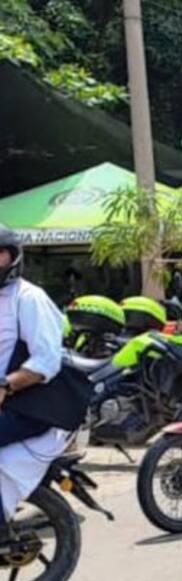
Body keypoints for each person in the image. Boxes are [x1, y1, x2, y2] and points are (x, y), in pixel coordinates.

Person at [0, 225, 73, 526]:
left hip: (27, 405)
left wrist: (7, 384)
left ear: (12, 258)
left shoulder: (29, 298)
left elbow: (47, 359)